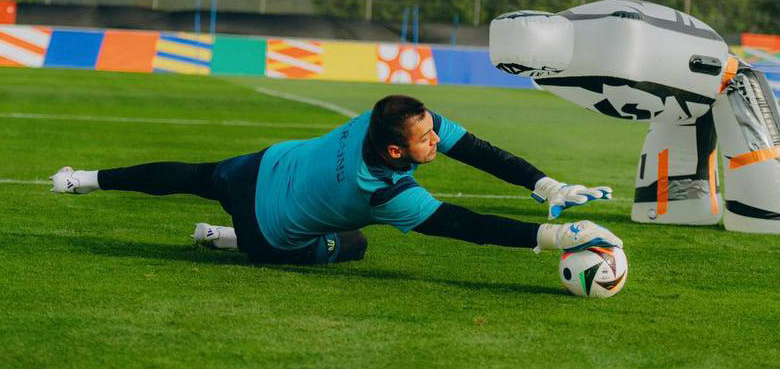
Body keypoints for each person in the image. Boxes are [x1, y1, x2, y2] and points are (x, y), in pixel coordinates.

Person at [51, 94, 621, 265]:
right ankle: (226, 240)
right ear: (398, 150)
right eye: (427, 141)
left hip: (258, 168)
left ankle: (80, 179)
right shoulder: (384, 191)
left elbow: (474, 148)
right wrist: (553, 238)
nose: (437, 143)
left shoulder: (384, 116)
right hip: (266, 236)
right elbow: (461, 225)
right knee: (356, 244)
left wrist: (545, 185)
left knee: (188, 175)